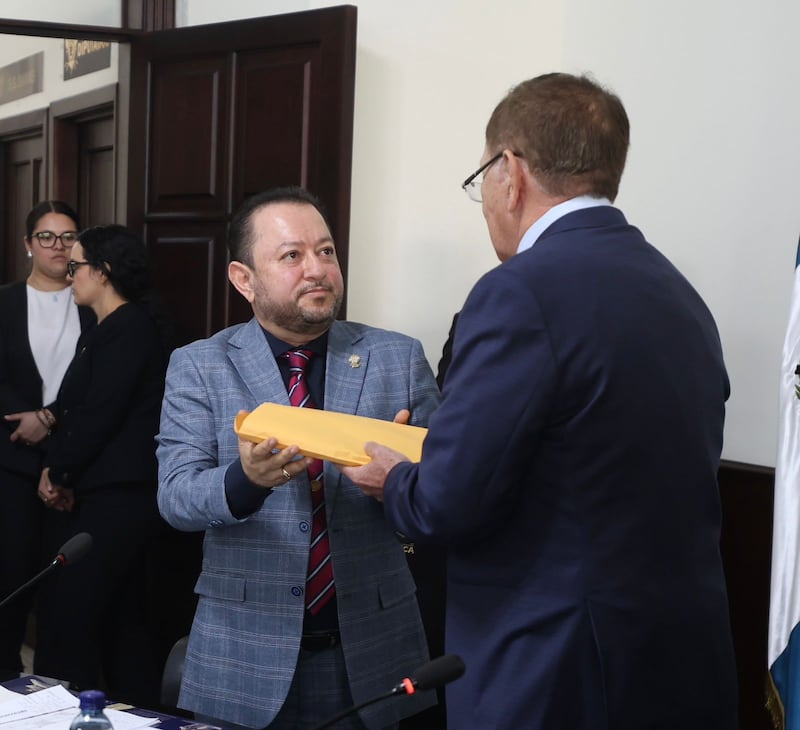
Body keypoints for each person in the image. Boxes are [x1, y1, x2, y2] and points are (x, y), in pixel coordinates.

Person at [341, 73, 738, 729]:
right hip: (675, 660)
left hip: (556, 668)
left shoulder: (518, 292)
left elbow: (448, 502)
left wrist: (397, 480)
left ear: (510, 171)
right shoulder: (678, 294)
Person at [156, 186, 440, 730]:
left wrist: (404, 480)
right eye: (292, 256)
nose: (318, 269)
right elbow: (176, 497)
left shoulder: (396, 358)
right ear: (244, 279)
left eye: (326, 251)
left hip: (374, 650)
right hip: (243, 654)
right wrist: (245, 481)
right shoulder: (200, 366)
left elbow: (451, 485)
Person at [33, 225, 168, 706]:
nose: (70, 278)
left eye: (76, 267)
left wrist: (59, 472)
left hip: (120, 500)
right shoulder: (105, 328)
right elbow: (76, 408)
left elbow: (98, 415)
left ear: (102, 272)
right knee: (113, 618)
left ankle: (66, 712)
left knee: (75, 616)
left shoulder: (129, 328)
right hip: (103, 494)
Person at [0, 201, 94, 678]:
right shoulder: (5, 301)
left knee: (66, 587)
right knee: (10, 577)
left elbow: (98, 383)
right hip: (11, 461)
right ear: (27, 244)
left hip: (74, 464)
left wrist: (50, 419)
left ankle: (59, 694)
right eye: (46, 237)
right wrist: (26, 421)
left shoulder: (94, 303)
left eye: (67, 236)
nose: (58, 247)